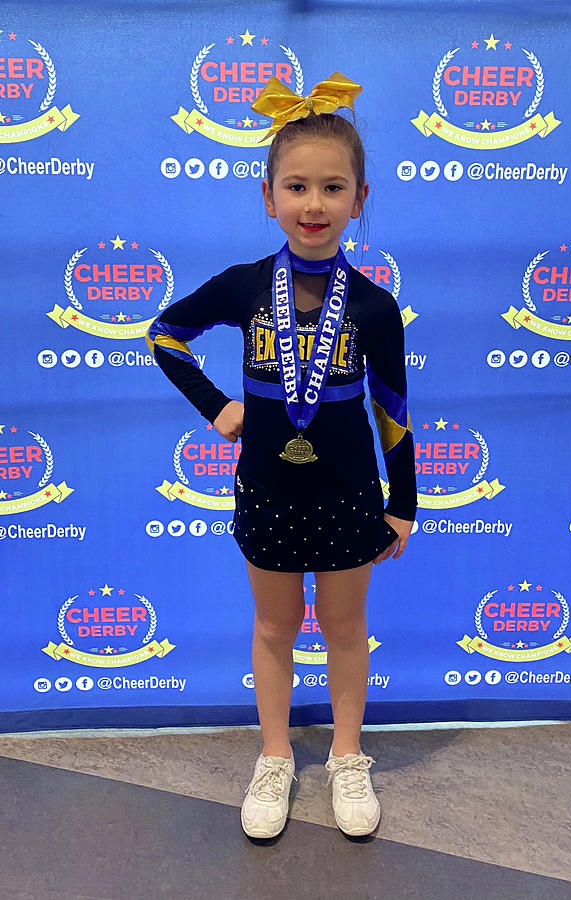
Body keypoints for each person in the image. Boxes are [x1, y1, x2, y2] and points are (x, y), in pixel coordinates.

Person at [146, 72, 417, 840]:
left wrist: (403, 502)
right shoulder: (241, 287)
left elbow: (392, 414)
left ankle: (345, 757)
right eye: (296, 186)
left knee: (342, 628)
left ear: (359, 199)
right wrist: (219, 408)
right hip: (264, 488)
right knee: (272, 629)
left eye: (332, 188)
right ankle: (273, 758)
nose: (313, 204)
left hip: (347, 494)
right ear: (268, 196)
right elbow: (163, 334)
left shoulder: (372, 305)